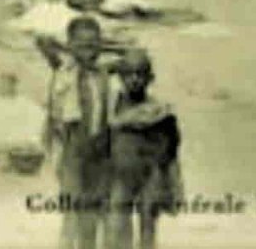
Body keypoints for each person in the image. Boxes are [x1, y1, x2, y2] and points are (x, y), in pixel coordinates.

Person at [37, 15, 120, 249]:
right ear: (71, 45)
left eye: (94, 44)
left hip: (100, 148)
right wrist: (69, 51)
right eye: (82, 45)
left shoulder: (103, 73)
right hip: (72, 149)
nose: (89, 50)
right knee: (72, 211)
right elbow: (42, 42)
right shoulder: (65, 69)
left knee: (96, 211)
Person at [106, 50, 184, 249]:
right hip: (120, 174)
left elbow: (171, 149)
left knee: (148, 226)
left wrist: (173, 184)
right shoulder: (112, 107)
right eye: (129, 74)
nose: (134, 79)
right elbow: (104, 141)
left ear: (150, 78)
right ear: (121, 77)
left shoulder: (160, 111)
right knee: (118, 226)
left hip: (150, 175)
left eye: (140, 74)